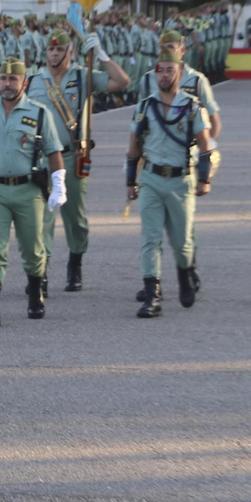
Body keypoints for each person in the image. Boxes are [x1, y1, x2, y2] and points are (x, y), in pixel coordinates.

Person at [0, 56, 67, 326]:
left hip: (28, 190)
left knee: (33, 250)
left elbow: (53, 152)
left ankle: (35, 294)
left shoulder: (39, 113)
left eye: (13, 79)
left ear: (24, 82)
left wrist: (59, 185)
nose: (7, 84)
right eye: (3, 79)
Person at [26, 27, 130, 293]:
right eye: (51, 49)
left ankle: (75, 263)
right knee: (42, 219)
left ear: (70, 53)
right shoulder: (33, 80)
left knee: (75, 218)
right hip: (42, 160)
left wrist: (102, 55)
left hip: (72, 158)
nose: (54, 53)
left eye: (60, 49)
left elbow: (121, 82)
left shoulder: (83, 76)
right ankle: (42, 273)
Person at [126, 50, 215, 317]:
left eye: (170, 70)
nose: (164, 75)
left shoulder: (191, 106)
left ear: (179, 72)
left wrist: (204, 179)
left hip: (180, 181)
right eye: (160, 70)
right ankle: (152, 296)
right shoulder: (145, 106)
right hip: (152, 179)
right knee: (150, 239)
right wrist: (130, 181)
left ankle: (186, 273)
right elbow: (133, 147)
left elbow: (205, 146)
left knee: (182, 242)